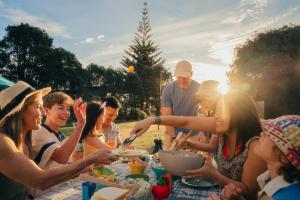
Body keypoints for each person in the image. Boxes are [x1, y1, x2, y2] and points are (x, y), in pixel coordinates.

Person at [130, 90, 267, 199]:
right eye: (216, 110)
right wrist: (152, 120)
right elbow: (185, 122)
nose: (216, 116)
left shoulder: (254, 146)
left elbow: (250, 193)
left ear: (239, 113)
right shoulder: (223, 127)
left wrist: (216, 175)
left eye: (222, 111)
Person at [0, 81, 117, 200]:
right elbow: (41, 180)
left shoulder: (24, 142)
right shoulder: (3, 142)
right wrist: (91, 158)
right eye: (38, 107)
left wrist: (84, 166)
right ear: (20, 110)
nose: (43, 112)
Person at [212, 115, 300, 200]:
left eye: (269, 135)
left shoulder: (283, 197)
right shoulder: (272, 180)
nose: (262, 133)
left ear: (283, 157)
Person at [31, 92, 86, 169]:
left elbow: (67, 165)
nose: (66, 113)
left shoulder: (61, 135)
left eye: (68, 109)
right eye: (61, 108)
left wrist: (88, 166)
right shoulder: (38, 132)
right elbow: (62, 158)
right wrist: (81, 124)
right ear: (46, 110)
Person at [161, 59, 200, 149]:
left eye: (185, 77)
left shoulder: (199, 89)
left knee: (192, 163)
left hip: (193, 134)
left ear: (191, 74)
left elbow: (207, 113)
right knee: (168, 162)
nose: (182, 80)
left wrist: (202, 134)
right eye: (179, 77)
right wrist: (173, 138)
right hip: (172, 133)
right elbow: (167, 117)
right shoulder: (168, 90)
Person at [183, 80, 221, 152]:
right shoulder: (211, 112)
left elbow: (212, 147)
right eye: (199, 100)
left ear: (211, 97)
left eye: (202, 100)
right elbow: (204, 138)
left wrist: (189, 143)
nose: (201, 104)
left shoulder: (219, 115)